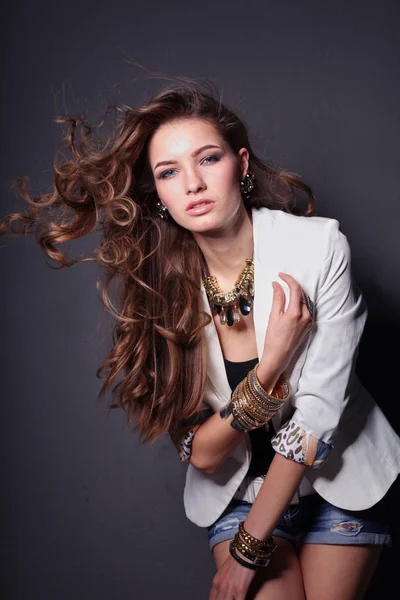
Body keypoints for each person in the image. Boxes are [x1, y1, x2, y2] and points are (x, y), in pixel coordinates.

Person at [2, 77, 400, 600]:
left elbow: (319, 417)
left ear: (242, 163)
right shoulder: (159, 292)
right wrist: (270, 367)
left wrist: (247, 549)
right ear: (159, 194)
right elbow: (206, 454)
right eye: (169, 171)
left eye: (208, 159)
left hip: (343, 475)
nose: (192, 183)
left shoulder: (318, 246)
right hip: (236, 491)